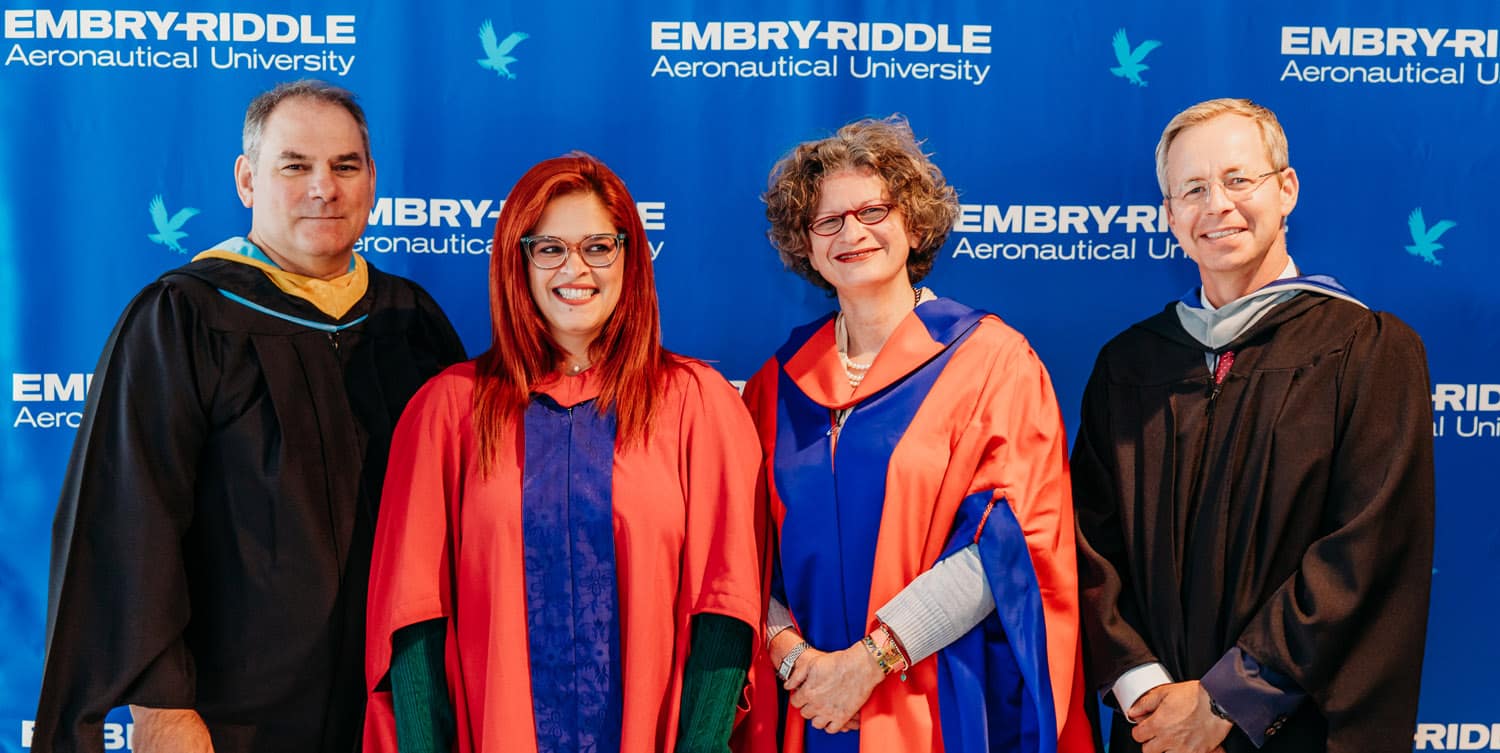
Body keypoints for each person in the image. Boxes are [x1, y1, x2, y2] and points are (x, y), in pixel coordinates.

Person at [33, 79, 466, 753]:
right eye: (295, 165)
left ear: (372, 179)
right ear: (246, 179)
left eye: (344, 166)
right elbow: (132, 520)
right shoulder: (184, 318)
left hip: (396, 710)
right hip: (232, 719)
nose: (324, 187)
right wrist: (162, 705)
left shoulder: (410, 324)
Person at [362, 153, 762, 753]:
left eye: (598, 246)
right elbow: (414, 618)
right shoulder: (447, 412)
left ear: (630, 258)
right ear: (515, 263)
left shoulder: (697, 404)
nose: (575, 268)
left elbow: (725, 607)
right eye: (549, 248)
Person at [1071, 98, 1435, 753]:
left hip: (1298, 729)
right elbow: (1087, 546)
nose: (1218, 205)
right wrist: (1143, 688)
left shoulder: (1367, 350)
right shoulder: (1129, 366)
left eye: (1239, 179)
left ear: (1286, 189)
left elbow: (1364, 552)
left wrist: (1225, 698)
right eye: (1193, 189)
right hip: (1152, 732)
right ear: (1170, 216)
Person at [741, 117, 1095, 753]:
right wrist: (795, 660)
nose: (852, 232)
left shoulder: (992, 361)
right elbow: (745, 553)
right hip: (813, 708)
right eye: (827, 221)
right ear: (806, 244)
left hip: (942, 703)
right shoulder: (778, 382)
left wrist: (871, 660)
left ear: (913, 220)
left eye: (873, 210)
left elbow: (1011, 549)